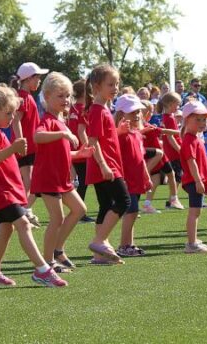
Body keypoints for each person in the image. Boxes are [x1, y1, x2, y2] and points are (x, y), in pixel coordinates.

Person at [0, 84, 68, 287]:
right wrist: (13, 148)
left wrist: (12, 149)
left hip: (6, 190)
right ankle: (42, 270)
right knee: (24, 224)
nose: (12, 118)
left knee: (6, 230)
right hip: (3, 192)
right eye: (8, 113)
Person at [31, 72, 92, 270]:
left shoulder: (61, 121)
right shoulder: (48, 119)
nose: (66, 100)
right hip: (48, 178)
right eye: (60, 96)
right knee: (56, 218)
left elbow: (63, 153)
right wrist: (63, 133)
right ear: (47, 97)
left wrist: (79, 154)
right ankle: (48, 261)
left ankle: (58, 250)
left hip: (61, 178)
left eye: (68, 96)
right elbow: (38, 137)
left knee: (79, 209)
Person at [85, 64, 130, 265]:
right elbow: (93, 141)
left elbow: (104, 137)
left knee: (105, 206)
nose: (115, 88)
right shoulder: (97, 110)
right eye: (110, 84)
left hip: (106, 165)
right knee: (124, 201)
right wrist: (104, 166)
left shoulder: (103, 110)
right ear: (96, 86)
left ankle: (99, 255)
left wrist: (118, 131)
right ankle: (99, 241)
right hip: (105, 166)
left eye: (117, 84)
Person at [113, 94, 151, 257]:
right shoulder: (120, 135)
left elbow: (140, 158)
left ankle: (129, 243)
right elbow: (116, 158)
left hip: (136, 178)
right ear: (121, 114)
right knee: (132, 210)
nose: (136, 115)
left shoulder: (136, 133)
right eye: (132, 112)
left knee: (133, 212)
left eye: (138, 112)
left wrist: (146, 176)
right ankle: (123, 245)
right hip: (126, 179)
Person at [12, 62, 49, 227]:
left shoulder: (27, 97)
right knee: (32, 184)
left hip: (31, 146)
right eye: (37, 78)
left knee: (30, 184)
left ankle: (25, 211)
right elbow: (16, 121)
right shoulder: (23, 98)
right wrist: (21, 141)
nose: (39, 81)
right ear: (28, 79)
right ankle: (23, 212)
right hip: (26, 147)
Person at [179, 101, 207, 254]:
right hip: (194, 181)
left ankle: (194, 239)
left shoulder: (195, 138)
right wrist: (199, 181)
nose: (202, 123)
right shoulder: (189, 139)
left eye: (204, 119)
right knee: (194, 212)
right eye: (197, 119)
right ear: (187, 120)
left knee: (196, 212)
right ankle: (191, 244)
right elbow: (191, 161)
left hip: (196, 181)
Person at [67, 80, 94, 223]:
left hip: (72, 149)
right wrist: (88, 147)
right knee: (83, 181)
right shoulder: (83, 108)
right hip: (80, 151)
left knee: (73, 181)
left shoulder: (73, 108)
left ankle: (77, 210)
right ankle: (79, 212)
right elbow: (81, 131)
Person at [140, 101, 169, 214]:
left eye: (152, 111)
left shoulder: (147, 125)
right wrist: (182, 132)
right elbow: (164, 131)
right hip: (149, 157)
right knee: (171, 174)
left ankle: (147, 204)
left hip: (153, 158)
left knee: (156, 179)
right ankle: (173, 198)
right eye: (149, 111)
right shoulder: (146, 126)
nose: (151, 113)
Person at [158, 92, 184, 209]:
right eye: (176, 104)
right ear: (169, 104)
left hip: (171, 150)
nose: (178, 107)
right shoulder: (169, 118)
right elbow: (170, 136)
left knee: (177, 175)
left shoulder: (167, 117)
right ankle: (172, 199)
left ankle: (172, 199)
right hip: (174, 152)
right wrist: (179, 150)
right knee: (177, 175)